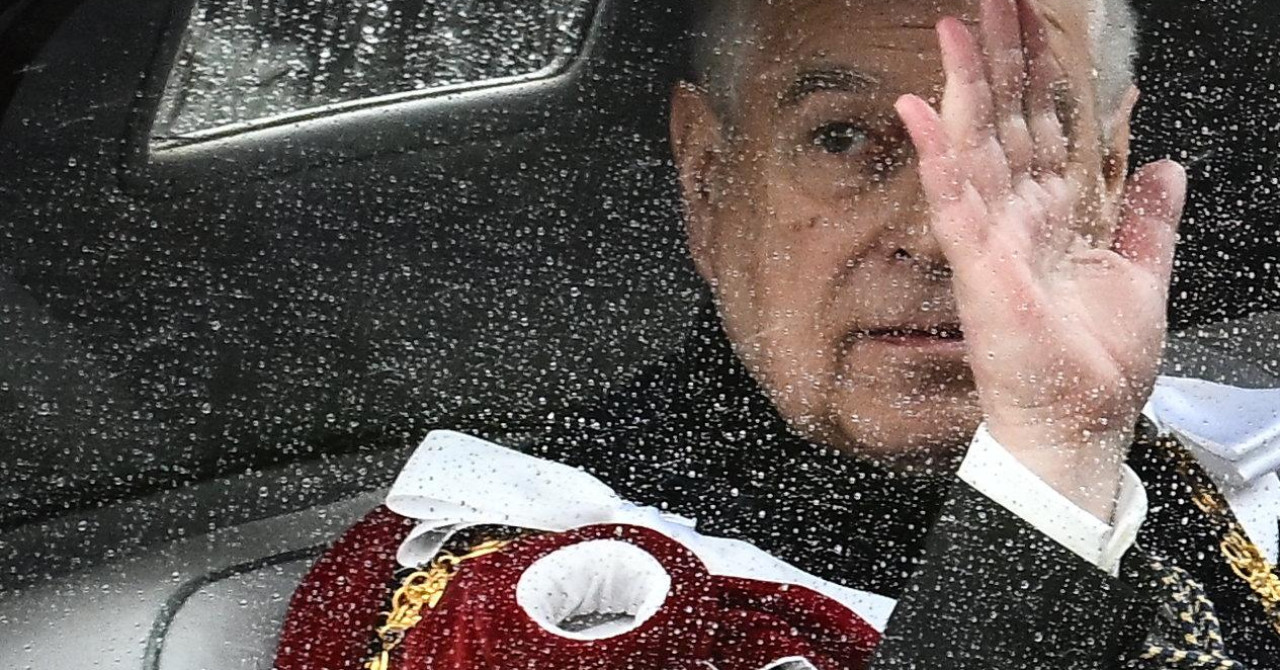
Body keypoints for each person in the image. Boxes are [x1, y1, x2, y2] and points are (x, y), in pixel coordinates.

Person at [274, 0, 1280, 667]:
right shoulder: (517, 595)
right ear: (710, 181)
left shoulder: (1252, 460)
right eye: (842, 138)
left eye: (1017, 145)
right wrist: (1051, 459)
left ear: (1111, 172)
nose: (941, 232)